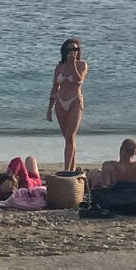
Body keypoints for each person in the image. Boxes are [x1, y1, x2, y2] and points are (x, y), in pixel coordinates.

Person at [46, 38, 89, 173]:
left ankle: (67, 171)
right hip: (60, 102)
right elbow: (55, 87)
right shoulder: (59, 67)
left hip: (75, 101)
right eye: (70, 50)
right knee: (68, 139)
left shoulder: (82, 65)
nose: (73, 52)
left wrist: (73, 64)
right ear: (64, 51)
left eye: (75, 50)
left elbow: (78, 80)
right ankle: (72, 169)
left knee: (70, 137)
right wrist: (49, 108)